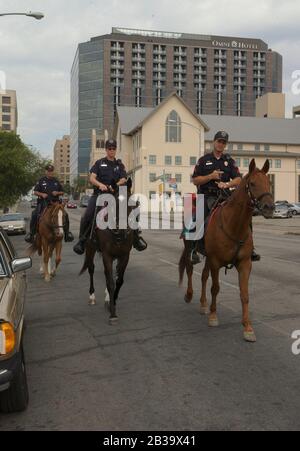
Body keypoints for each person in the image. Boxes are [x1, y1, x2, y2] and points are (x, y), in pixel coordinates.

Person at [191, 131, 261, 264]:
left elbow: (239, 179)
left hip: (225, 195)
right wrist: (210, 177)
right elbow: (195, 180)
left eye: (223, 142)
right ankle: (192, 249)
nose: (221, 144)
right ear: (214, 142)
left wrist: (227, 184)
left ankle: (250, 248)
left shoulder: (229, 161)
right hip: (206, 194)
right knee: (194, 214)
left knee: (245, 211)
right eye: (219, 141)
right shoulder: (203, 160)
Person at [73, 139, 147, 255]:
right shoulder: (99, 163)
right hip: (100, 194)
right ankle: (82, 241)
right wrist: (101, 185)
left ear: (115, 150)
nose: (111, 150)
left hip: (116, 194)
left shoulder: (119, 164)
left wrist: (114, 186)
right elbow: (92, 178)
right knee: (87, 215)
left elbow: (123, 178)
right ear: (106, 149)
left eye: (113, 148)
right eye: (109, 148)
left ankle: (136, 237)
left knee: (134, 207)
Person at [25, 165, 74, 244]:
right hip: (43, 203)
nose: (50, 172)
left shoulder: (56, 181)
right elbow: (35, 192)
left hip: (56, 203)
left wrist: (57, 192)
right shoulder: (41, 180)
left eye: (51, 171)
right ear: (46, 172)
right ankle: (31, 234)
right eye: (48, 171)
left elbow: (62, 191)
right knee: (34, 214)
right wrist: (42, 194)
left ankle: (67, 234)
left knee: (65, 215)